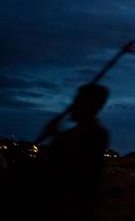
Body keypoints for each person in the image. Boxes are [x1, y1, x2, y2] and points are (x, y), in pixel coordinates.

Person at [43, 84, 110, 220]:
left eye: (78, 101)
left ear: (92, 105)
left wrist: (55, 134)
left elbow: (63, 166)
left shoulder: (95, 134)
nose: (72, 106)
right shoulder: (94, 133)